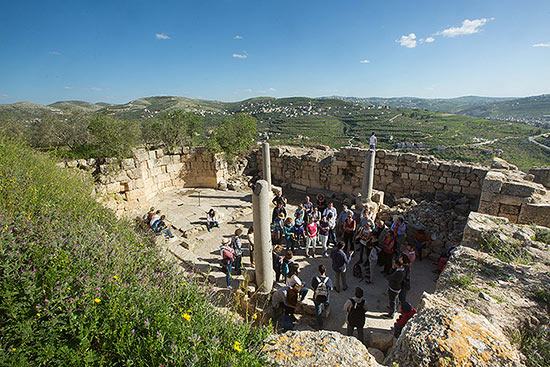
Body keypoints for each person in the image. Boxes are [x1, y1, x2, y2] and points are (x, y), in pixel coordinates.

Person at [311, 264, 333, 329]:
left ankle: (320, 323)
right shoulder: (328, 280)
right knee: (326, 303)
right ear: (325, 270)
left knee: (318, 309)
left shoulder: (315, 279)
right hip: (325, 296)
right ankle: (326, 311)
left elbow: (313, 287)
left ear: (318, 270)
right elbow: (330, 288)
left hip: (317, 296)